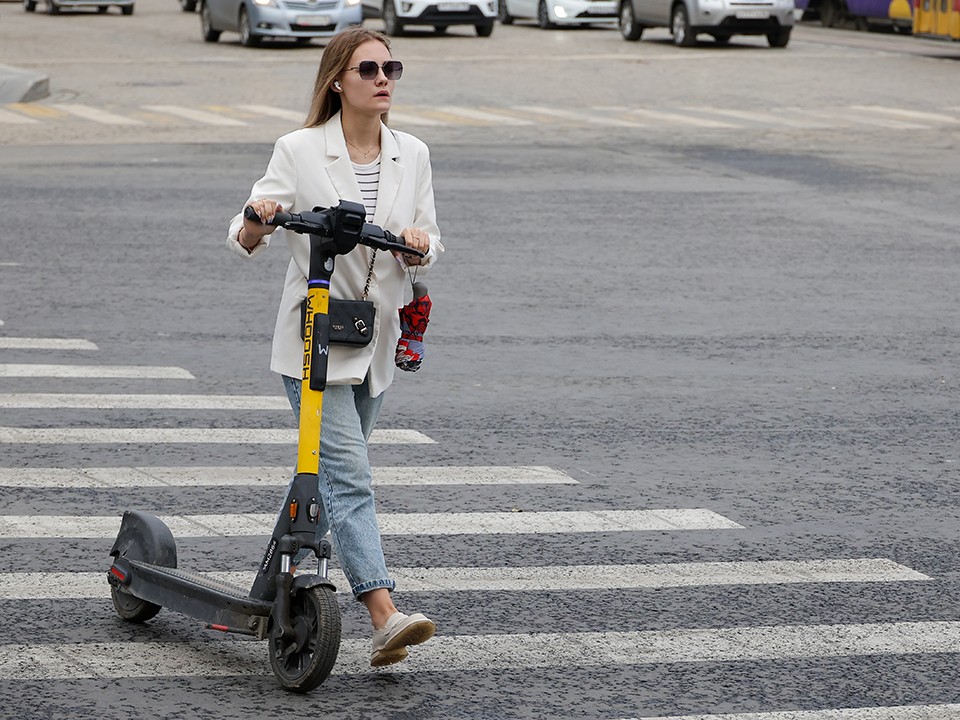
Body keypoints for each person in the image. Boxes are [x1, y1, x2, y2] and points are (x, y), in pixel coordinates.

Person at [225, 26, 443, 668]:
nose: (385, 79)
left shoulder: (414, 154)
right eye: (370, 69)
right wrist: (259, 217)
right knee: (349, 478)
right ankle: (383, 613)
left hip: (373, 340)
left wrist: (418, 240)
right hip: (312, 338)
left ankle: (275, 589)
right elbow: (244, 232)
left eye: (391, 68)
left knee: (328, 478)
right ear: (337, 82)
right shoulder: (298, 149)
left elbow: (431, 237)